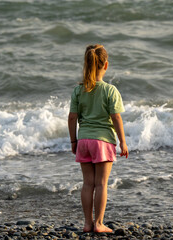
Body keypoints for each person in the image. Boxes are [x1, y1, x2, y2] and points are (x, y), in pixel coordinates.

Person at [68, 44, 129, 233]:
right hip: (103, 141)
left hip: (84, 141)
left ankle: (87, 223)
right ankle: (99, 224)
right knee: (101, 184)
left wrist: (74, 141)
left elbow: (72, 117)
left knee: (87, 184)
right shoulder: (110, 90)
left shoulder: (79, 91)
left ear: (86, 64)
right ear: (106, 65)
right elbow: (116, 117)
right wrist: (123, 142)